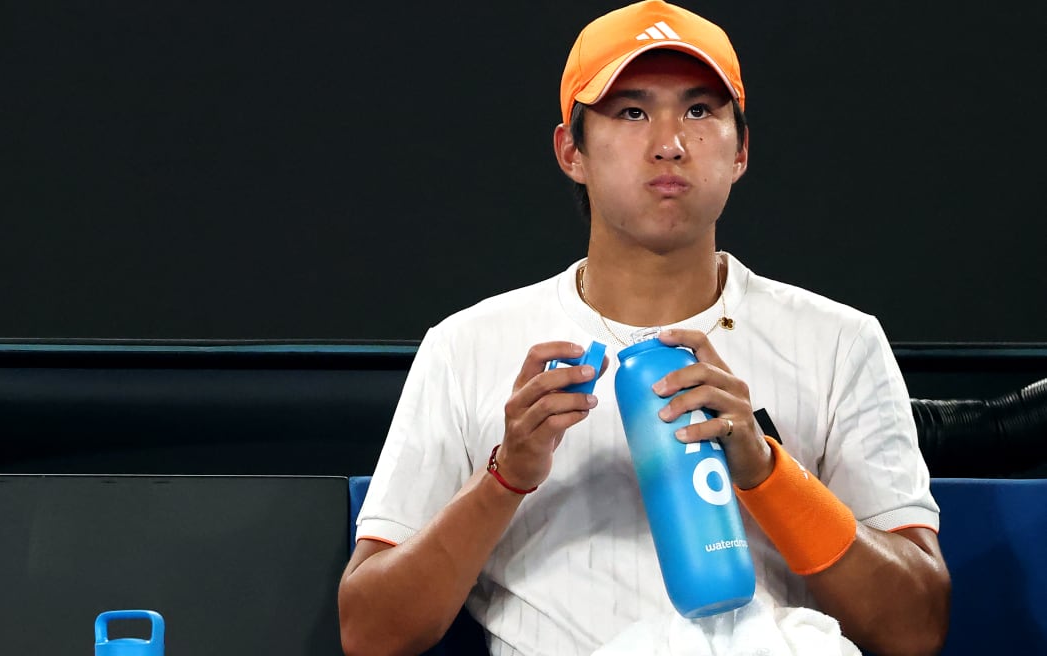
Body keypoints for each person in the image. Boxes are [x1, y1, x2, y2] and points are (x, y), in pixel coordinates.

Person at [338, 1, 951, 655]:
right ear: (571, 150)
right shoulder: (466, 346)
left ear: (741, 148)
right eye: (631, 112)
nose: (670, 142)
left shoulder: (841, 342)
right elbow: (373, 632)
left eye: (699, 111)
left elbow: (913, 629)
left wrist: (767, 472)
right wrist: (506, 475)